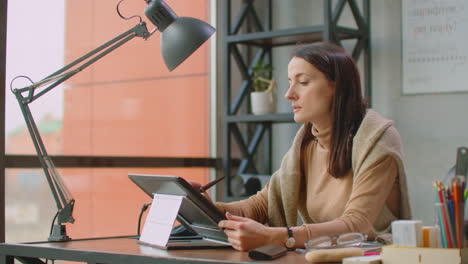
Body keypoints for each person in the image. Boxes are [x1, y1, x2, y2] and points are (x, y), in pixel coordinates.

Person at [199, 42, 412, 251]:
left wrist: (278, 237)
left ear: (337, 86)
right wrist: (205, 207)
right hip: (323, 256)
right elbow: (261, 205)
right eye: (290, 82)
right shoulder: (306, 144)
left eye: (303, 82)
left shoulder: (376, 140)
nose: (289, 94)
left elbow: (356, 225)